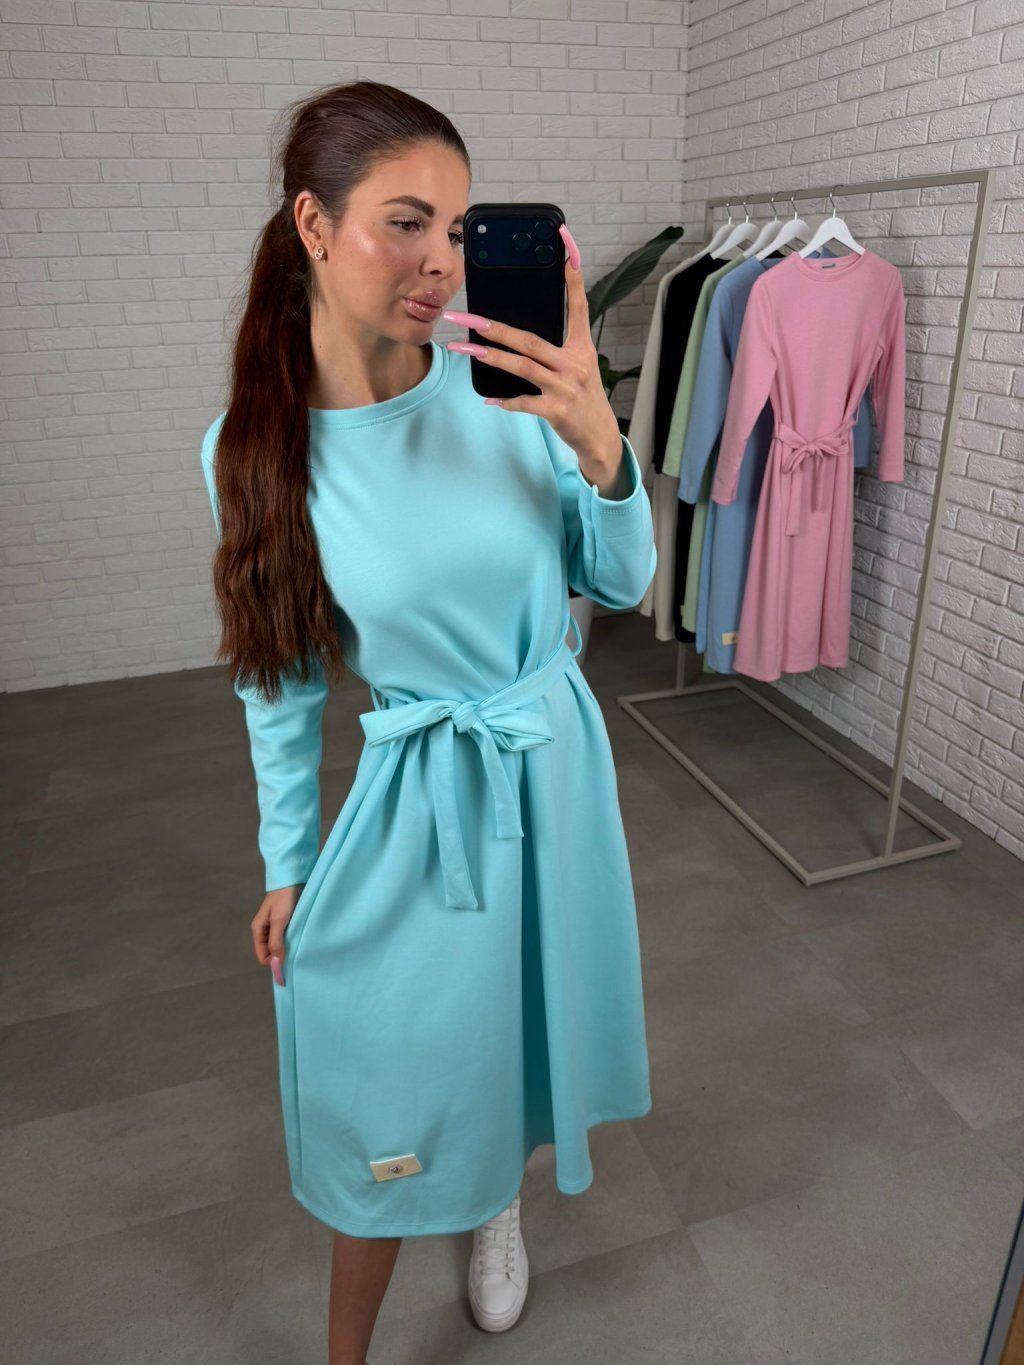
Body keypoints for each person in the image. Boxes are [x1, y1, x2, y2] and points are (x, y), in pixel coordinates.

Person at [199, 79, 657, 1365]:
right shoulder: (257, 451)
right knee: (390, 1061)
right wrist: (288, 862)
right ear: (312, 224)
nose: (441, 262)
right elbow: (278, 684)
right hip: (420, 794)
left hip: (551, 762)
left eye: (457, 229)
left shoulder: (506, 392)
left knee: (519, 1011)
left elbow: (622, 581)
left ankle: (494, 1196)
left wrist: (598, 440)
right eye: (406, 222)